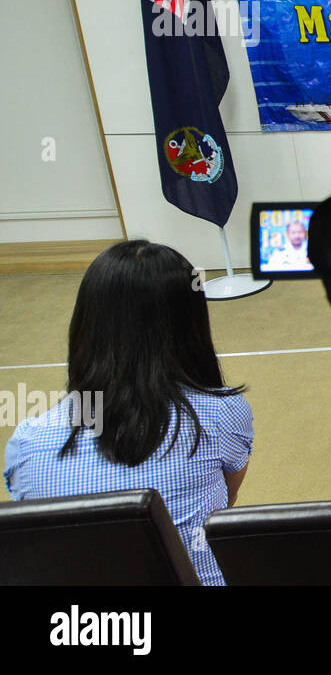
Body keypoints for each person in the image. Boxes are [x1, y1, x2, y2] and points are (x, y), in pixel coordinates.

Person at [4, 241, 253, 586]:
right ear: (191, 324)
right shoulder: (224, 411)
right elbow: (225, 503)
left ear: (85, 324)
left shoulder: (29, 440)